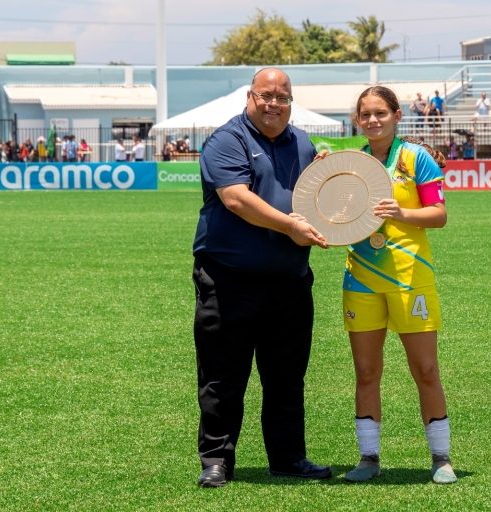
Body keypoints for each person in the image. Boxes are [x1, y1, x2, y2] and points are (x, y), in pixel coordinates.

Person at [192, 67, 331, 488]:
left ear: (292, 102)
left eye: (282, 97)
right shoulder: (227, 139)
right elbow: (236, 199)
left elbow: (314, 194)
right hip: (228, 280)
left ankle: (288, 458)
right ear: (249, 98)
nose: (273, 104)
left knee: (287, 377)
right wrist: (289, 226)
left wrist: (326, 172)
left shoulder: (302, 142)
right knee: (222, 377)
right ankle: (216, 461)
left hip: (290, 281)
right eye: (265, 95)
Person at [340, 85, 455, 485]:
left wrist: (401, 212)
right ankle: (368, 458)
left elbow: (439, 215)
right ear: (357, 120)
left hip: (411, 278)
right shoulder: (349, 162)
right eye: (366, 115)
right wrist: (325, 174)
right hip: (361, 279)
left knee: (425, 369)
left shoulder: (415, 157)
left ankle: (441, 458)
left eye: (380, 113)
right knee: (367, 371)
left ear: (397, 115)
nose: (373, 120)